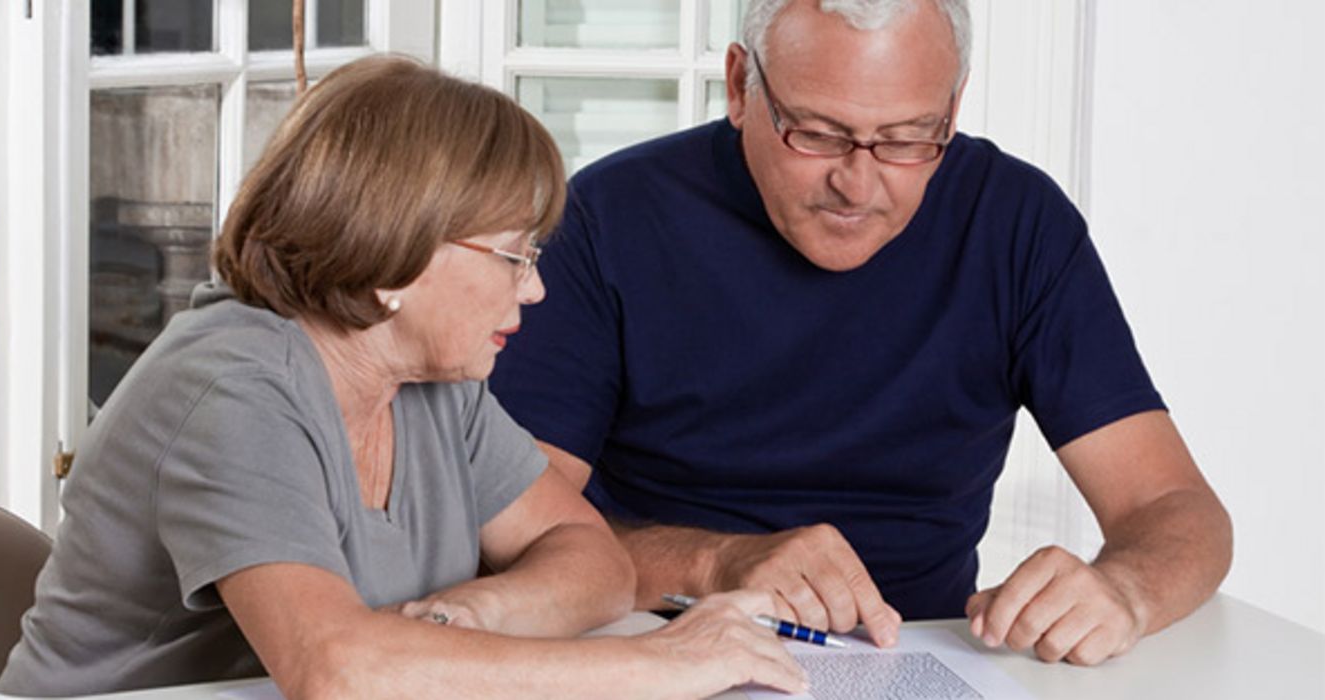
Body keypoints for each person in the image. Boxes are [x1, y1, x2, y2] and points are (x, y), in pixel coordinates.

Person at [0, 56, 806, 699]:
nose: (535, 288)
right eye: (515, 255)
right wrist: (663, 668)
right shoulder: (232, 386)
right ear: (398, 254)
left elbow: (594, 563)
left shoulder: (432, 380)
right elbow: (337, 672)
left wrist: (469, 614)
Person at [489, 0, 1233, 667]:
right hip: (656, 641)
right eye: (817, 134)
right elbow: (505, 524)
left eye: (909, 139)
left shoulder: (1015, 223)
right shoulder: (609, 217)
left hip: (921, 652)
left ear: (953, 106)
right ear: (740, 85)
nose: (857, 183)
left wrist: (1123, 591)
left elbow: (1171, 506)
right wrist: (713, 562)